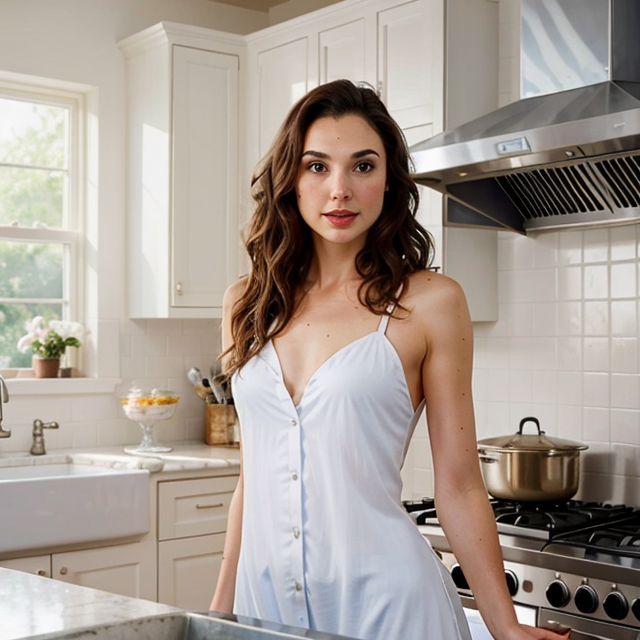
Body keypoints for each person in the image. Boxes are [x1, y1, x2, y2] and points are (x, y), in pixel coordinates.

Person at [210, 79, 565, 640]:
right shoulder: (247, 302)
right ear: (290, 180)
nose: (340, 190)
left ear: (388, 181)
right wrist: (221, 611)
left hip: (388, 609)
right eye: (318, 166)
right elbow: (251, 481)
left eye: (363, 166)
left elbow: (460, 486)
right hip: (266, 609)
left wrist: (505, 627)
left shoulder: (430, 303)